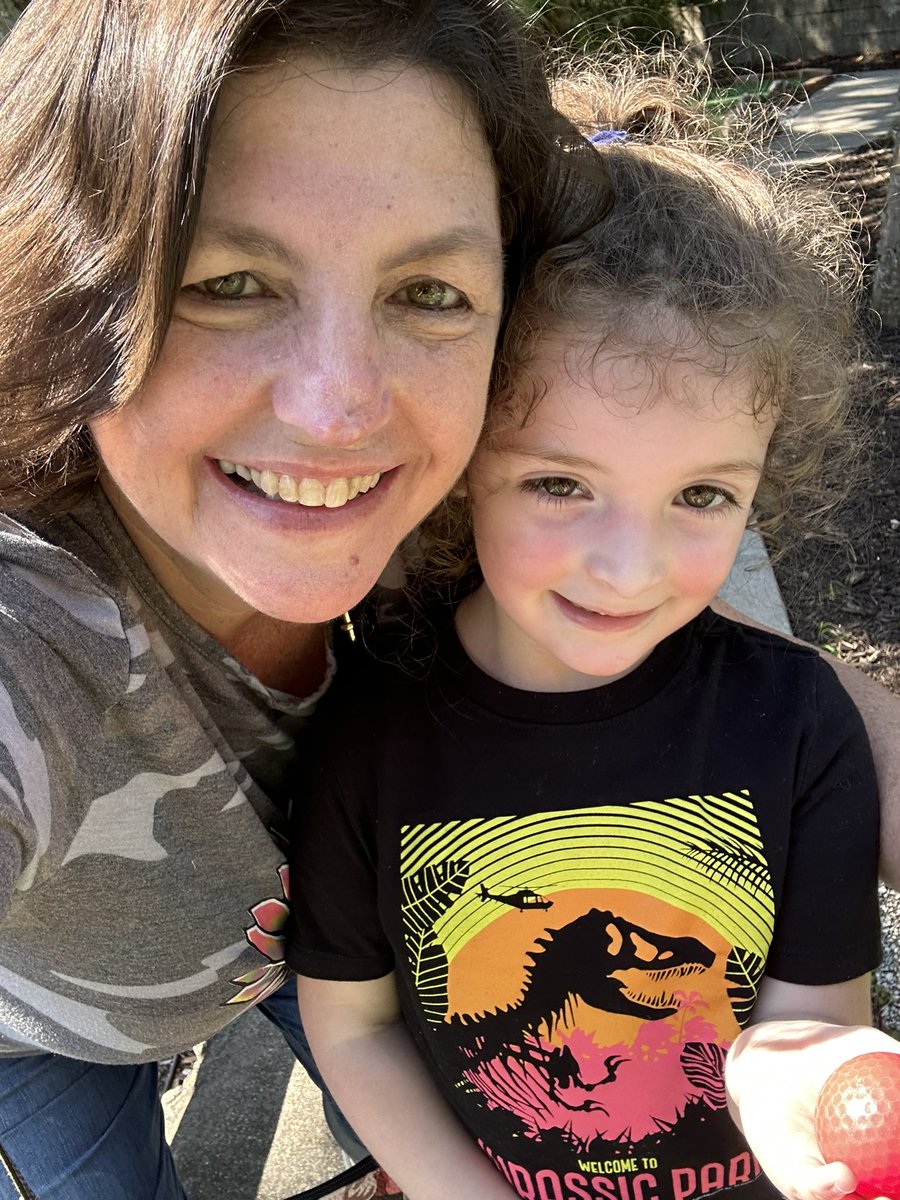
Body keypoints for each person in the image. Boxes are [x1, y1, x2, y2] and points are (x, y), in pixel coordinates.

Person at [0, 1, 612, 1196]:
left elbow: (764, 683)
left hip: (299, 937)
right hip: (51, 1031)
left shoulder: (460, 516)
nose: (340, 408)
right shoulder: (28, 631)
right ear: (74, 294)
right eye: (228, 281)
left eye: (429, 292)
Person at [287, 56, 896, 1200]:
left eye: (703, 496)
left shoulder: (798, 723)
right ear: (464, 467)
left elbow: (815, 1013)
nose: (631, 568)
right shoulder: (368, 739)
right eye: (561, 484)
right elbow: (355, 1019)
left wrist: (818, 1086)